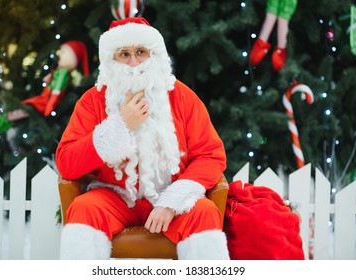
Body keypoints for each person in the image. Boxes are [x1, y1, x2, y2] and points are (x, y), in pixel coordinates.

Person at [55, 17, 229, 260]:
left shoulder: (182, 96)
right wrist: (120, 125)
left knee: (204, 212)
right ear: (111, 60)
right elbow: (67, 162)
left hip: (171, 199)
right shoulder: (92, 101)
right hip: (114, 198)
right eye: (123, 54)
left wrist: (172, 201)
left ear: (155, 55)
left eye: (141, 52)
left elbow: (210, 155)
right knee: (84, 209)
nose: (134, 63)